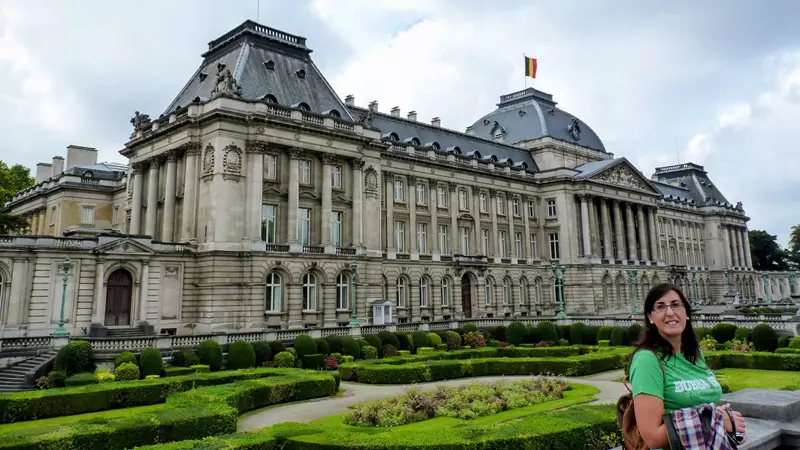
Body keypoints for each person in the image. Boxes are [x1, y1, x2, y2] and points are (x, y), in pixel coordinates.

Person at [629, 283, 746, 449]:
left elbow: (703, 407)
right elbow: (653, 437)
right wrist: (718, 420)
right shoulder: (646, 360)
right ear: (650, 317)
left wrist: (732, 423)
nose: (670, 312)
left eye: (676, 305)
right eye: (660, 307)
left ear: (687, 313)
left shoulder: (694, 353)